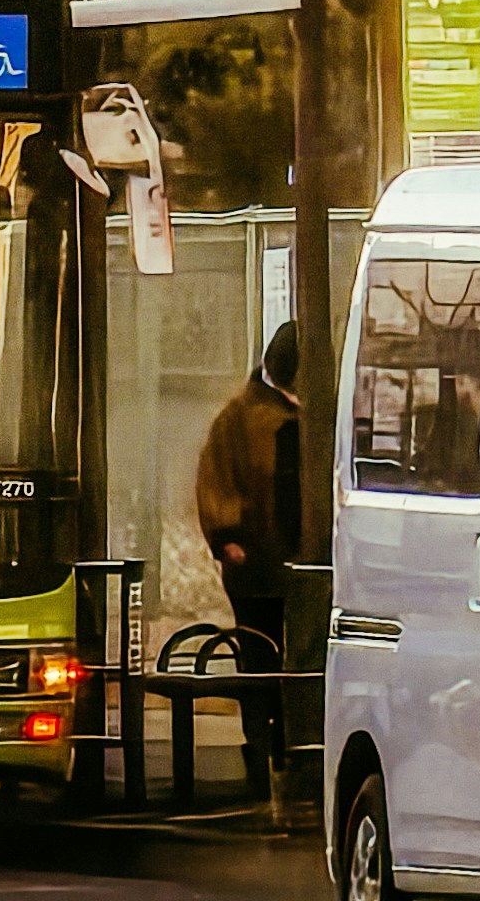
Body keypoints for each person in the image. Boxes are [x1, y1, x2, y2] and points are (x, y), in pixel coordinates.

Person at [195, 319, 303, 780]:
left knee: (294, 655)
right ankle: (261, 744)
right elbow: (215, 479)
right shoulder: (240, 417)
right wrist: (228, 537)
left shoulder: (305, 414)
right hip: (258, 562)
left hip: (299, 560)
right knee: (260, 653)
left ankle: (288, 741)